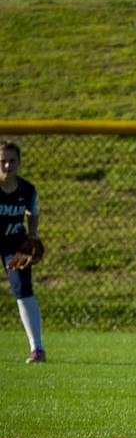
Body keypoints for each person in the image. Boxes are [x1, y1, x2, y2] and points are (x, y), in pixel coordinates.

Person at [0, 141, 45, 364]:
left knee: (23, 290)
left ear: (19, 162)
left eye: (12, 160)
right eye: (3, 161)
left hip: (14, 244)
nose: (7, 165)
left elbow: (32, 210)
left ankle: (37, 349)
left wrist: (33, 234)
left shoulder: (27, 189)